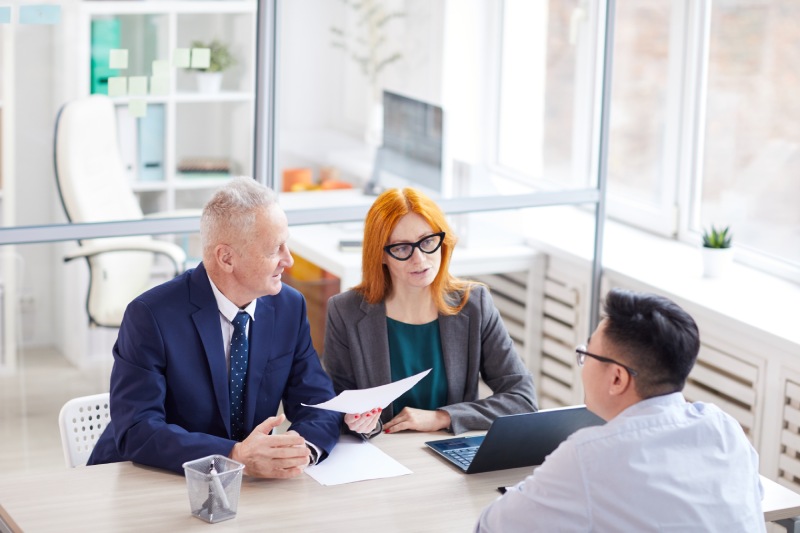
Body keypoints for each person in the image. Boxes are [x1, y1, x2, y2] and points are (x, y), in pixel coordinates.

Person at [88, 177, 341, 478]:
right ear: (226, 258)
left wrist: (301, 452)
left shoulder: (289, 307)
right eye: (275, 249)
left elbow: (319, 402)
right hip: (147, 478)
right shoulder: (150, 316)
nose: (289, 260)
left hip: (242, 488)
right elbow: (138, 430)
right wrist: (233, 456)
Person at [475, 288, 765, 532]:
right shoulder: (724, 427)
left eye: (587, 353)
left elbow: (490, 527)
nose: (583, 362)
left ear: (617, 378)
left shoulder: (589, 455)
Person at [323, 187, 537, 437]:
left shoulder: (474, 304)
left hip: (449, 446)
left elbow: (522, 398)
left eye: (427, 242)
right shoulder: (345, 311)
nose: (420, 259)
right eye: (402, 248)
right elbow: (334, 403)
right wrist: (353, 420)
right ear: (381, 255)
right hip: (381, 450)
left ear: (442, 241)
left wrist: (443, 417)